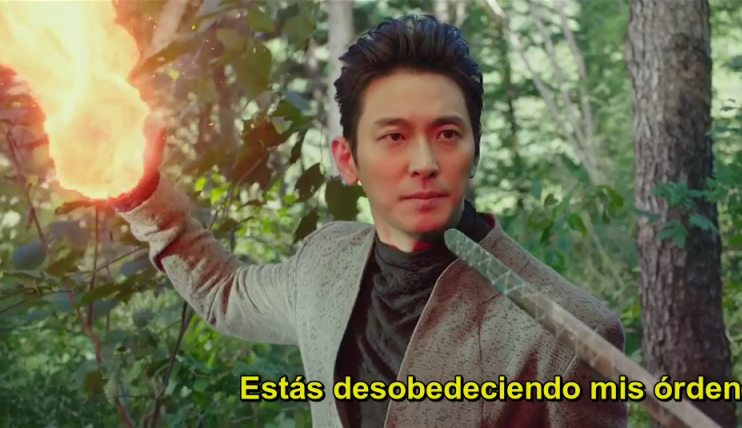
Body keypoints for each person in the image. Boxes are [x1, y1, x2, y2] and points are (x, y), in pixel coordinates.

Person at [109, 14, 627, 428]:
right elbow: (225, 295)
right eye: (394, 136)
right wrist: (141, 191)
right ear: (348, 160)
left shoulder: (570, 337)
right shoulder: (325, 263)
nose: (424, 162)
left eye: (447, 134)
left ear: (475, 150)